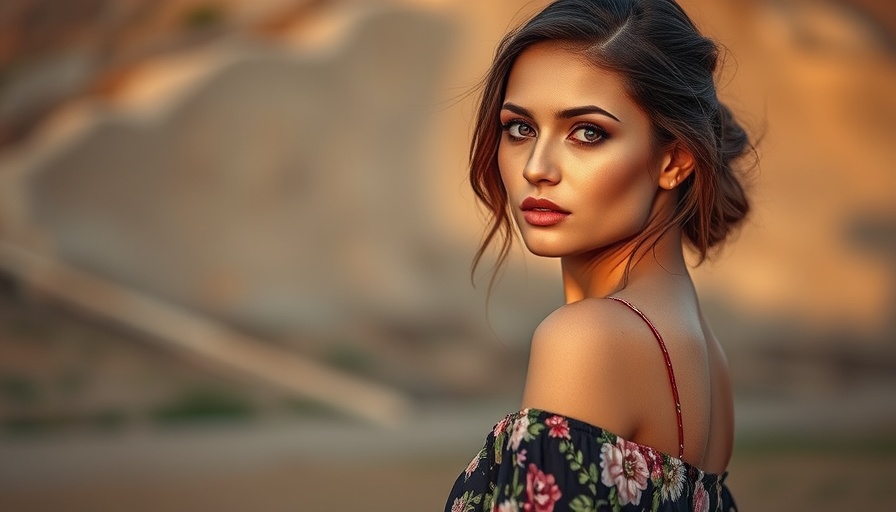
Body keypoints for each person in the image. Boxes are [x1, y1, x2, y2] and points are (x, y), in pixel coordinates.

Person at [445, 0, 752, 511]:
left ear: (674, 159)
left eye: (587, 132)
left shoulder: (587, 339)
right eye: (520, 128)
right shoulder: (705, 355)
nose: (537, 168)